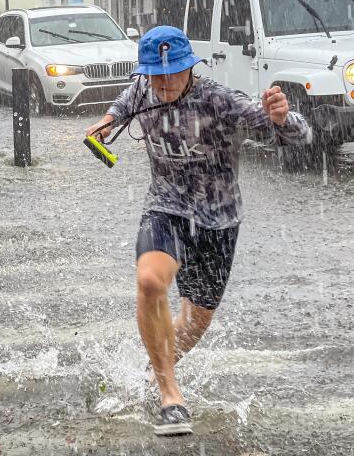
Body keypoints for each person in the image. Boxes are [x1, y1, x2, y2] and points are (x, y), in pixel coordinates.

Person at [85, 26, 310, 436]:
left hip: (218, 221)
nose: (164, 82)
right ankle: (170, 395)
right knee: (150, 281)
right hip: (165, 208)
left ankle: (148, 371)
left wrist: (284, 116)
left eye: (173, 73)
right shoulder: (144, 88)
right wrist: (108, 121)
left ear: (191, 67)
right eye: (155, 73)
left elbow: (296, 136)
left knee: (193, 323)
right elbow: (126, 98)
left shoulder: (221, 102)